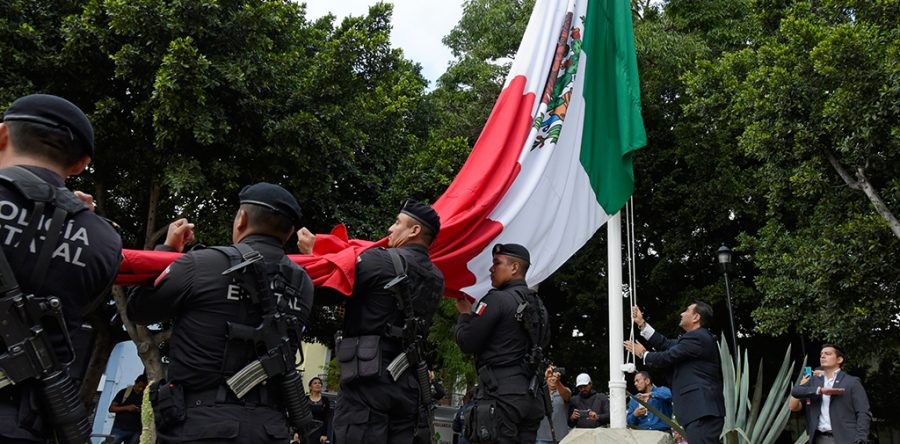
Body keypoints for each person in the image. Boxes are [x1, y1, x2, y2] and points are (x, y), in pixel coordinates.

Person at [127, 183, 315, 443]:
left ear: (242, 219)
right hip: (269, 430)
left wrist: (168, 251)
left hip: (200, 426)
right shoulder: (303, 284)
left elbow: (139, 310)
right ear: (290, 232)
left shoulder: (203, 263)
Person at [0, 94, 122, 442]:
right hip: (26, 424)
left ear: (2, 135)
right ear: (81, 165)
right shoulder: (103, 240)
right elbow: (87, 302)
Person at [298, 200, 444, 444]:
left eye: (398, 222)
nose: (390, 228)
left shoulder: (378, 261)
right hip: (407, 385)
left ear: (414, 231)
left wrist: (315, 252)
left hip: (366, 384)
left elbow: (326, 292)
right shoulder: (437, 278)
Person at [454, 243, 549, 443]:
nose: (491, 269)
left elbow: (467, 342)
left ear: (514, 268)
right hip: (532, 395)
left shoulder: (496, 300)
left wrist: (464, 316)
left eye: (497, 263)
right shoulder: (539, 306)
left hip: (501, 396)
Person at [624, 302, 725, 444]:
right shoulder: (693, 339)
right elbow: (665, 344)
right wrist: (641, 324)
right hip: (699, 411)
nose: (682, 313)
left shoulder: (698, 338)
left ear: (696, 317)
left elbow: (667, 357)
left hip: (701, 411)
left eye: (686, 311)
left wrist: (643, 354)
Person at [791, 345, 871, 444]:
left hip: (846, 439)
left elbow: (863, 412)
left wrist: (861, 438)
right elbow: (795, 391)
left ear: (839, 359)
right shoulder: (814, 381)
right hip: (819, 438)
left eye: (828, 354)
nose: (822, 356)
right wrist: (820, 390)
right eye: (821, 354)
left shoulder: (852, 382)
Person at [108, 374, 149, 444]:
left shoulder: (146, 396)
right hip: (119, 429)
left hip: (136, 431)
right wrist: (127, 408)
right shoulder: (124, 392)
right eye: (139, 386)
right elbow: (111, 408)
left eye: (143, 387)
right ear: (135, 383)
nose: (140, 389)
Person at [536, 366, 571, 443]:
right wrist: (544, 376)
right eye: (550, 376)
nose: (552, 379)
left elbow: (567, 396)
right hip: (541, 437)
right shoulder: (539, 391)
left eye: (554, 376)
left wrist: (558, 382)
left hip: (561, 437)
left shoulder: (564, 390)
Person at [307, 377, 331, 444]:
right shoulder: (305, 399)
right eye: (315, 383)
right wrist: (296, 432)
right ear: (310, 387)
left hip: (320, 433)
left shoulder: (325, 400)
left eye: (319, 383)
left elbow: (326, 418)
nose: (318, 384)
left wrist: (325, 434)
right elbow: (299, 417)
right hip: (306, 432)